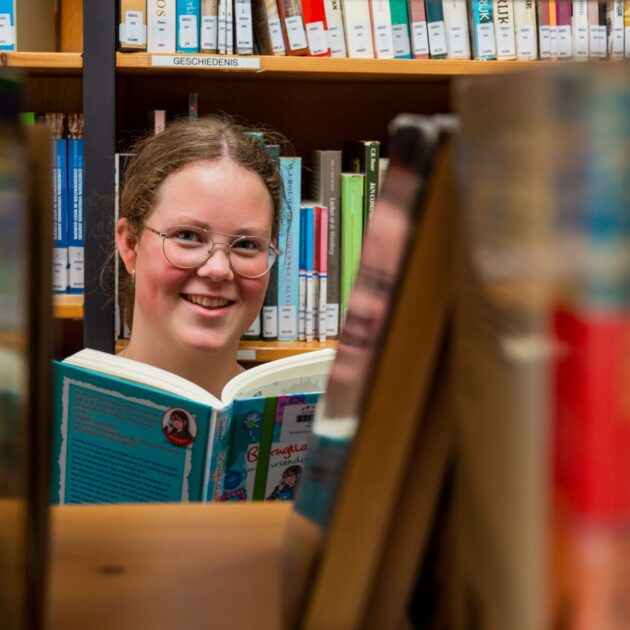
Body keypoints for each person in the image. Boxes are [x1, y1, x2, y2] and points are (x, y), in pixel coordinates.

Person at [115, 116, 284, 397]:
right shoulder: (49, 416)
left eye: (247, 244)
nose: (218, 269)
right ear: (131, 245)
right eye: (188, 236)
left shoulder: (299, 426)